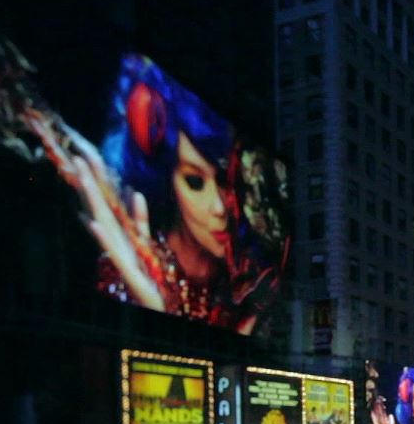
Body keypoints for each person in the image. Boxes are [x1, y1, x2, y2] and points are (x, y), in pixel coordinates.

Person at [83, 55, 288, 335]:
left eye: (227, 182)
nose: (220, 207)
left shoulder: (251, 285)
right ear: (168, 181)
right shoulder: (123, 271)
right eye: (195, 181)